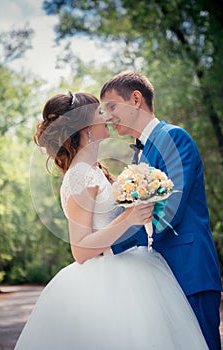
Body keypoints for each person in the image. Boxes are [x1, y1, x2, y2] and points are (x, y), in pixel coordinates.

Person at [14, 91, 208, 350]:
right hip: (108, 279)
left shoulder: (95, 170)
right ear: (85, 126)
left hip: (135, 266)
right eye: (99, 112)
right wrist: (128, 219)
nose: (106, 116)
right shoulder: (79, 176)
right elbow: (80, 249)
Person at [100, 70, 222, 350]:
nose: (108, 116)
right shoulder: (137, 155)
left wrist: (109, 243)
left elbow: (170, 210)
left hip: (189, 271)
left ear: (135, 99)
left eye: (112, 107)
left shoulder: (174, 138)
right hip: (159, 279)